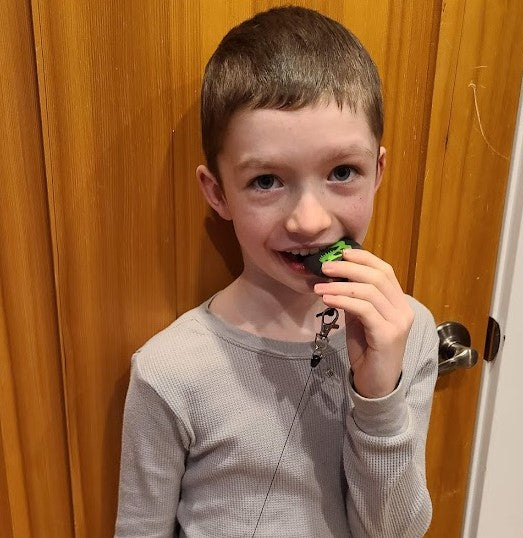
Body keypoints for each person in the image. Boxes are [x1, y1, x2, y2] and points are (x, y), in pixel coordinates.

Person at [115, 6, 439, 538]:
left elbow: (393, 533)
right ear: (218, 193)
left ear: (378, 172)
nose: (310, 221)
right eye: (266, 181)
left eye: (342, 172)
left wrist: (379, 393)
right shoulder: (169, 372)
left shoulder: (408, 332)